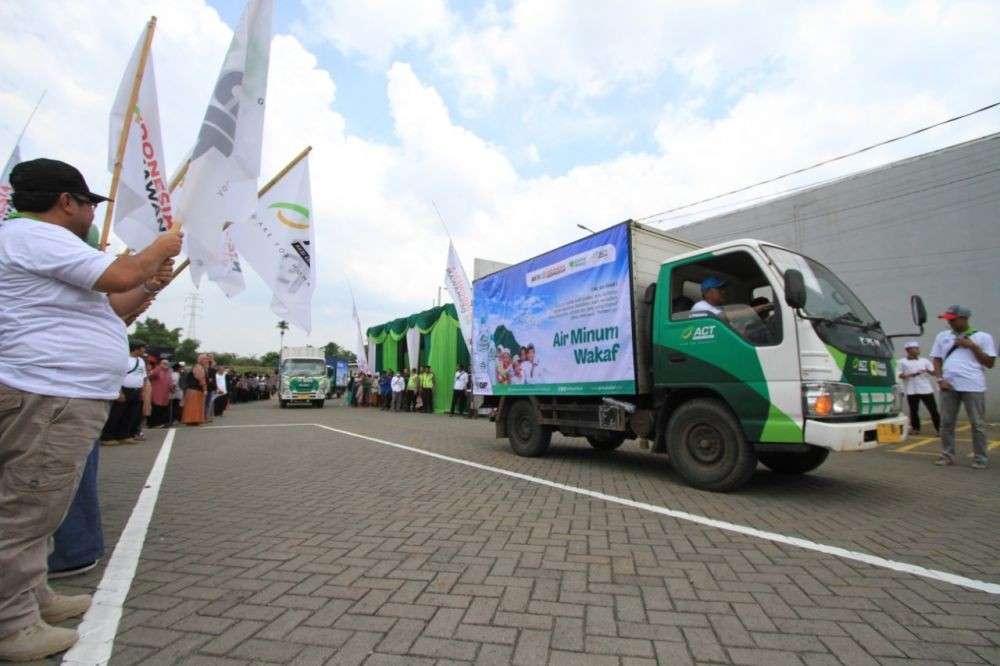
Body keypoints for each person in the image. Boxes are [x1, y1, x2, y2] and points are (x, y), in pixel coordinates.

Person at [0, 158, 181, 661]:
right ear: (66, 202)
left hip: (55, 394)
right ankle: (10, 626)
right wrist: (157, 250)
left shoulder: (38, 245)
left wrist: (148, 283)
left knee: (42, 506)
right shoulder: (36, 236)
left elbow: (112, 305)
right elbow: (121, 272)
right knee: (27, 507)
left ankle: (31, 596)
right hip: (48, 394)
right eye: (86, 205)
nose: (88, 216)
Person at [930, 305, 995, 469]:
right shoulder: (942, 336)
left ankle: (980, 458)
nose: (949, 323)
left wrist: (972, 346)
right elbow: (936, 359)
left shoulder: (983, 337)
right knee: (946, 423)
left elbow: (990, 363)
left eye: (952, 319)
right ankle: (947, 455)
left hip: (973, 386)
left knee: (978, 424)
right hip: (948, 385)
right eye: (948, 320)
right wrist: (939, 379)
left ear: (964, 319)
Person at [898, 341, 940, 435]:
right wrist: (911, 374)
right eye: (915, 348)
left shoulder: (924, 361)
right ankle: (916, 428)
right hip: (911, 390)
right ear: (908, 350)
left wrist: (927, 371)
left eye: (917, 348)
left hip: (926, 389)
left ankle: (939, 429)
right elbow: (900, 375)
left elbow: (934, 372)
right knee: (913, 411)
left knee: (933, 410)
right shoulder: (901, 361)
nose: (918, 350)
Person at [181, 355, 209, 426]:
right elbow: (201, 379)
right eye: (205, 359)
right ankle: (194, 420)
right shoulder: (199, 367)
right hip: (195, 390)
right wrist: (205, 389)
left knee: (192, 407)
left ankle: (191, 421)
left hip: (191, 390)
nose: (207, 361)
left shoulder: (196, 366)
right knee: (195, 406)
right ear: (201, 360)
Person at [147, 358, 174, 428]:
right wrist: (158, 368)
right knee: (156, 409)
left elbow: (170, 381)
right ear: (160, 364)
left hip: (165, 394)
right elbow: (150, 376)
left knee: (164, 409)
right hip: (156, 393)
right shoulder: (157, 369)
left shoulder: (169, 371)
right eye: (164, 363)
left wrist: (172, 387)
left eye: (167, 363)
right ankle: (154, 424)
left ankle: (163, 422)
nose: (166, 365)